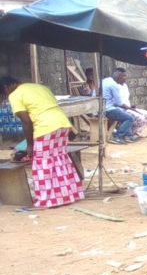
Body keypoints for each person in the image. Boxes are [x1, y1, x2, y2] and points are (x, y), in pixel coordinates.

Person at [0, 75, 85, 209]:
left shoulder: (15, 95)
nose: (5, 95)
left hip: (45, 127)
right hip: (62, 124)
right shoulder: (38, 87)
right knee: (60, 159)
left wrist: (30, 145)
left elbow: (26, 121)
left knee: (41, 163)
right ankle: (69, 194)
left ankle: (44, 200)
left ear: (5, 87)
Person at [101, 67, 137, 144]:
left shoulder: (105, 81)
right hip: (107, 110)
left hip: (100, 108)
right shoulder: (114, 85)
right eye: (124, 76)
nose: (125, 78)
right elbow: (119, 103)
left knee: (124, 113)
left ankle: (128, 135)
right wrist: (130, 108)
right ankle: (117, 136)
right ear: (119, 77)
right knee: (130, 118)